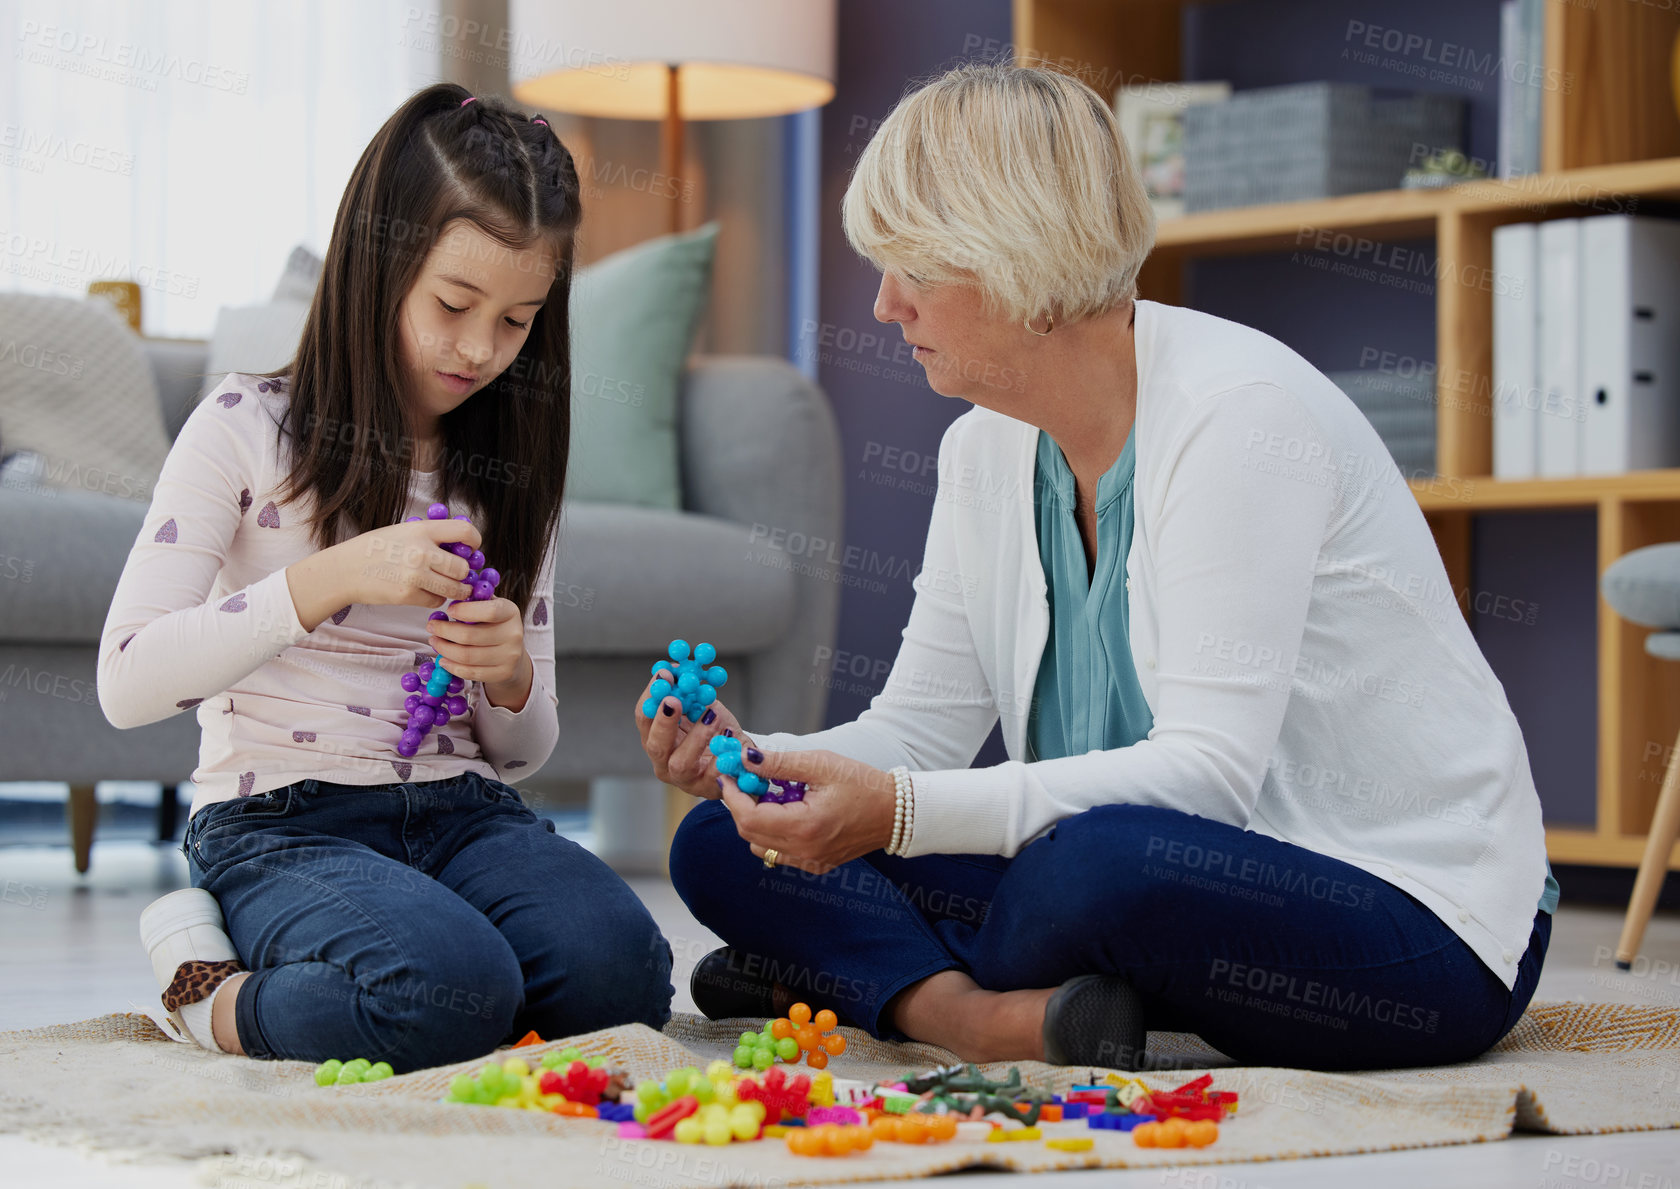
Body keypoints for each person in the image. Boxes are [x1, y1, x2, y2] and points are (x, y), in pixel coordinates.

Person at [639, 63, 1555, 1073]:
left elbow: (1204, 778)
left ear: (1022, 264)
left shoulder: (1237, 418)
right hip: (1136, 875)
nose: (885, 302)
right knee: (727, 842)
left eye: (912, 267)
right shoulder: (983, 448)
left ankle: (842, 977)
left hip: (1410, 915)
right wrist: (757, 760)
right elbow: (916, 734)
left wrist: (894, 815)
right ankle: (975, 1017)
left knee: (1084, 877)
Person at [105, 84, 673, 1071]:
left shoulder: (506, 469)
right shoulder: (243, 426)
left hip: (462, 808)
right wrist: (329, 577)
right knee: (440, 990)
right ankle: (207, 990)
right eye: (454, 305)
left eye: (517, 320)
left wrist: (507, 677)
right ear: (380, 264)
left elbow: (525, 752)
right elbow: (128, 680)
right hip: (278, 820)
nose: (479, 349)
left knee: (622, 977)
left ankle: (437, 953)